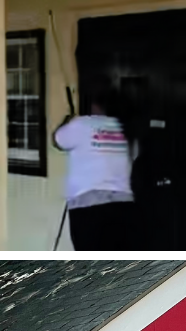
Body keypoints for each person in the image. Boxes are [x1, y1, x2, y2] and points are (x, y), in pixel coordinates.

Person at [53, 85, 138, 250]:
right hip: (123, 206)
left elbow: (57, 140)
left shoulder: (81, 124)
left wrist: (68, 120)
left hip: (89, 207)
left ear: (95, 105)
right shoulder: (124, 127)